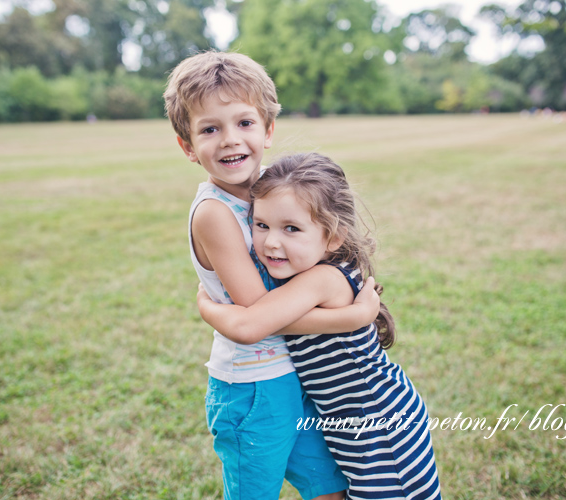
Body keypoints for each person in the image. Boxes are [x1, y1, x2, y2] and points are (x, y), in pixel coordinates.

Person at [163, 52, 380, 500]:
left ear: (267, 130)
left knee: (330, 488)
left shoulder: (275, 188)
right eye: (209, 129)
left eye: (244, 123)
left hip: (298, 373)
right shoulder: (214, 214)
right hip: (253, 386)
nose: (229, 140)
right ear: (187, 146)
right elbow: (260, 313)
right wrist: (350, 318)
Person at [197, 152, 442, 500]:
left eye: (291, 229)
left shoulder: (322, 279)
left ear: (333, 237)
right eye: (261, 224)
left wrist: (207, 305)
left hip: (378, 426)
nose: (271, 242)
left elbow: (251, 325)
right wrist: (353, 318)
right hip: (359, 420)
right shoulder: (314, 269)